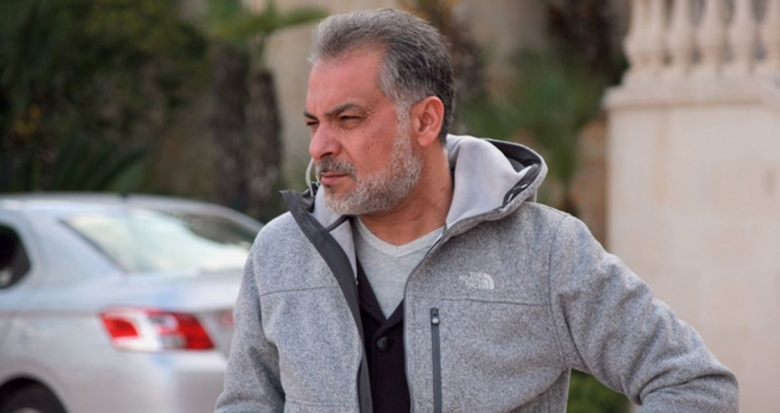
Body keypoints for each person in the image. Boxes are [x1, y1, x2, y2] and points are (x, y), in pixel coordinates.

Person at [215, 8, 738, 413]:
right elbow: (248, 403)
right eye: (314, 123)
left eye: (347, 119)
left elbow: (694, 385)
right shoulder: (280, 251)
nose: (319, 147)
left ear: (425, 121)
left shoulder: (546, 252)